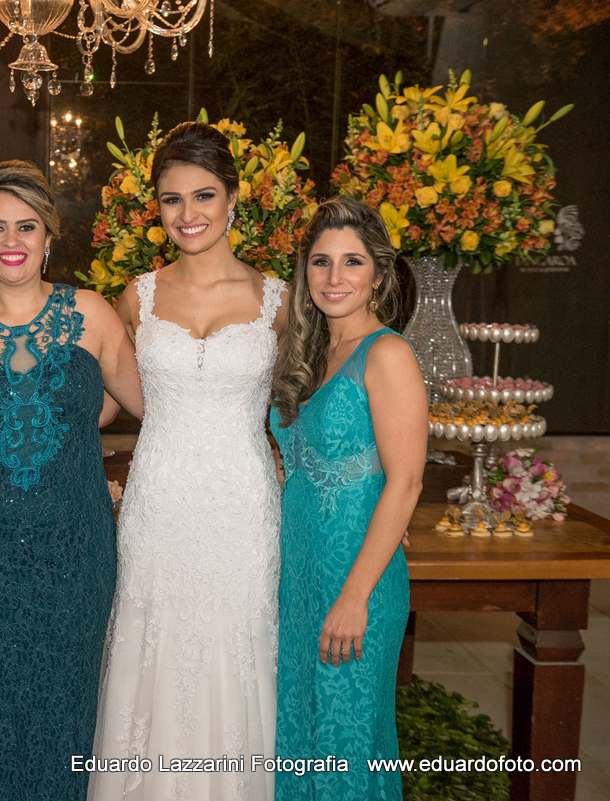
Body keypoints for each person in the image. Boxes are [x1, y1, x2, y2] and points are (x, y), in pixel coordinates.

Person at [0, 160, 144, 800]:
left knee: (66, 712)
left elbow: (151, 405)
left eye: (26, 226)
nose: (11, 240)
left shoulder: (92, 314)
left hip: (76, 556)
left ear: (49, 235)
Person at [89, 120, 288, 801]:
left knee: (239, 648)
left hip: (243, 509)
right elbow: (101, 402)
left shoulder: (279, 301)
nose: (187, 214)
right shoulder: (136, 297)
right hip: (159, 506)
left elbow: (311, 409)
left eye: (204, 195)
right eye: (171, 199)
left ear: (234, 198)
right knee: (154, 647)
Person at [269, 196, 426, 800]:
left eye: (352, 262)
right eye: (321, 262)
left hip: (356, 581)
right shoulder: (310, 353)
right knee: (300, 738)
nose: (335, 277)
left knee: (348, 747)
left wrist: (355, 597)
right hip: (301, 575)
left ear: (378, 275)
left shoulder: (387, 354)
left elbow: (406, 482)